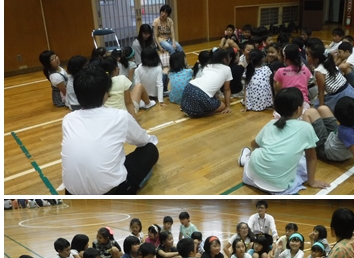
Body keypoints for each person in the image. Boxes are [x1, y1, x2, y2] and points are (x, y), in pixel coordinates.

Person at [61, 64, 159, 195]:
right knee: (150, 150)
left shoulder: (68, 119)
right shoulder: (120, 116)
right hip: (111, 193)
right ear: (105, 94)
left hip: (71, 193)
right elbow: (143, 141)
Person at [238, 87, 329, 194]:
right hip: (278, 188)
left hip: (249, 177)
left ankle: (246, 158)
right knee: (302, 166)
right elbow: (311, 157)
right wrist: (312, 182)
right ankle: (247, 158)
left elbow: (254, 145)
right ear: (299, 109)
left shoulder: (271, 124)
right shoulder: (306, 127)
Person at [306, 42, 354, 111]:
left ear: (316, 60)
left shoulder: (319, 72)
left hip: (339, 96)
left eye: (309, 56)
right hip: (347, 90)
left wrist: (321, 108)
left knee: (317, 109)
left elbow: (321, 91)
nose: (307, 57)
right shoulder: (328, 62)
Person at [181, 49, 233, 117]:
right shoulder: (227, 69)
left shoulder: (208, 65)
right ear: (225, 59)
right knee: (223, 106)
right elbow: (226, 89)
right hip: (201, 95)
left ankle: (191, 109)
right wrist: (228, 106)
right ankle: (197, 111)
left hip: (189, 88)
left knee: (198, 101)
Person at [273, 43, 312, 115]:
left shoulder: (280, 71)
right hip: (303, 104)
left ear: (285, 58)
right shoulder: (305, 69)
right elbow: (306, 86)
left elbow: (277, 89)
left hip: (286, 103)